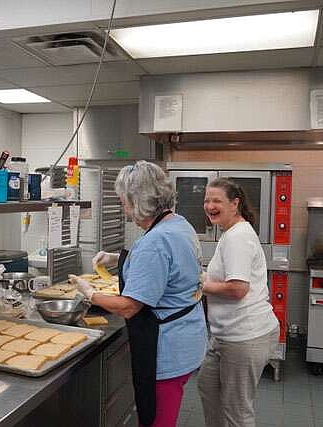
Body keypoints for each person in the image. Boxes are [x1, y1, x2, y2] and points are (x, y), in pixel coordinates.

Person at [70, 161, 207, 427]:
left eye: (124, 201)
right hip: (189, 337)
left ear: (137, 200)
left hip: (166, 347)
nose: (123, 208)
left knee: (158, 419)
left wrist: (91, 294)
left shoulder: (154, 242)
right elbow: (168, 265)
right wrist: (119, 258)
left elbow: (129, 307)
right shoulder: (178, 224)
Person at [197, 177, 280, 427]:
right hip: (225, 335)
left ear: (235, 204)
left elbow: (237, 289)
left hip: (245, 336)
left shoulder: (237, 237)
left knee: (236, 410)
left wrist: (199, 284)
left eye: (216, 200)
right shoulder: (230, 233)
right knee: (208, 388)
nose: (210, 205)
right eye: (206, 200)